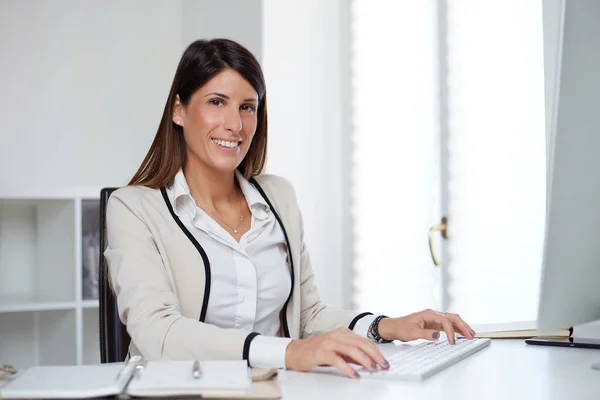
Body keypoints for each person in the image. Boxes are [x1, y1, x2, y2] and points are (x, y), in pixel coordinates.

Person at [104, 38, 476, 379]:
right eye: (217, 102)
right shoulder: (134, 208)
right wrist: (290, 351)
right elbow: (158, 333)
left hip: (273, 387)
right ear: (179, 110)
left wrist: (385, 326)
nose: (235, 125)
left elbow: (306, 315)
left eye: (247, 107)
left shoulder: (277, 197)